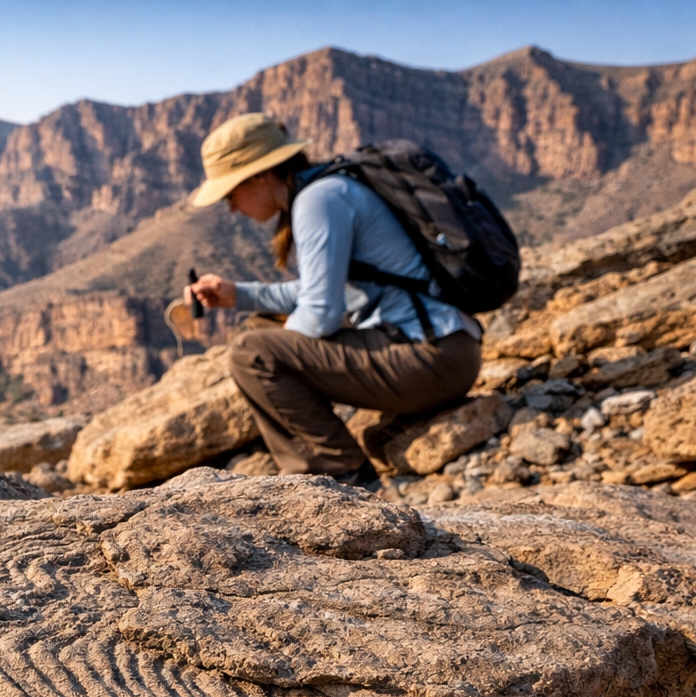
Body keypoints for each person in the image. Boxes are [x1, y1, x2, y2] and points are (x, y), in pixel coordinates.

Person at [187, 113, 482, 486]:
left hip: (432, 359)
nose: (231, 207)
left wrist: (288, 355)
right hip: (445, 350)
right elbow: (320, 292)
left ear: (260, 174)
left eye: (230, 193)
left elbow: (321, 313)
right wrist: (240, 295)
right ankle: (328, 462)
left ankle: (336, 476)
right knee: (262, 328)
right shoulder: (328, 189)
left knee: (253, 352)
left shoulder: (317, 201)